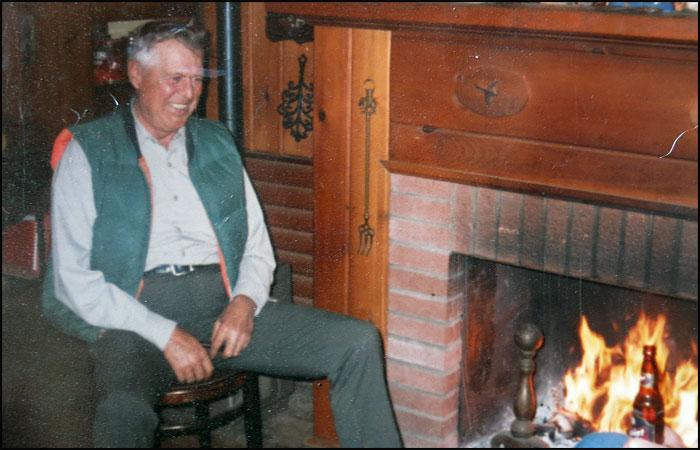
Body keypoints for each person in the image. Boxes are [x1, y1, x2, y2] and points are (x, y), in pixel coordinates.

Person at [41, 19, 402, 448]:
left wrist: (245, 302)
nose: (188, 92)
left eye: (197, 79)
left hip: (222, 304)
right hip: (133, 319)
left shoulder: (216, 142)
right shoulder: (88, 149)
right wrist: (165, 334)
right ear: (136, 74)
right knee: (122, 411)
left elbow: (256, 245)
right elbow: (72, 279)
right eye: (174, 78)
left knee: (356, 342)